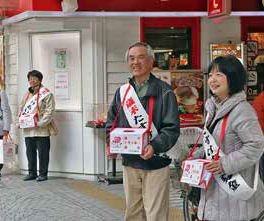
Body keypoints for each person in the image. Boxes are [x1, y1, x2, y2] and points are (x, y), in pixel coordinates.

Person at [106, 42, 180, 221]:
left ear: (150, 61)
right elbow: (112, 122)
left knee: (155, 214)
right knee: (133, 213)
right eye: (131, 58)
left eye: (140, 57)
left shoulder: (164, 92)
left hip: (155, 162)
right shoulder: (122, 92)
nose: (135, 62)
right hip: (130, 162)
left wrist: (154, 146)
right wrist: (111, 143)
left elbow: (172, 128)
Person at [191, 55, 264, 221]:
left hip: (236, 198)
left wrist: (225, 163)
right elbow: (215, 145)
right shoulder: (214, 108)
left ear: (233, 77)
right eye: (210, 75)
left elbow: (256, 145)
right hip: (216, 194)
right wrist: (194, 158)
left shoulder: (242, 110)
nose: (212, 80)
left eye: (219, 75)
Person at [18, 70, 56, 182]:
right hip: (28, 128)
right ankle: (32, 173)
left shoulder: (47, 93)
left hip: (41, 128)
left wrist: (41, 123)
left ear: (40, 80)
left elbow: (50, 110)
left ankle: (43, 174)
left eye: (34, 78)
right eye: (30, 79)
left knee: (43, 152)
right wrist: (19, 121)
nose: (32, 81)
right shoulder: (27, 95)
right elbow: (21, 109)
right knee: (30, 152)